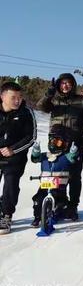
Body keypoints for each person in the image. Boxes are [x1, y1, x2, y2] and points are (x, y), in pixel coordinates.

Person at [37, 73, 83, 220]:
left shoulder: (81, 100)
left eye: (68, 83)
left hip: (75, 144)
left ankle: (72, 206)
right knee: (56, 176)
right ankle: (59, 203)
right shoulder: (54, 100)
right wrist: (48, 94)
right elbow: (41, 107)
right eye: (62, 83)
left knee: (75, 177)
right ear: (58, 85)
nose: (65, 85)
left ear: (73, 84)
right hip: (56, 144)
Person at [0, 81, 36, 235]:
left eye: (19, 97)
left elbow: (31, 137)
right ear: (2, 96)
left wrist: (13, 150)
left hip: (15, 157)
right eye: (13, 97)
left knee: (10, 184)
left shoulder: (26, 113)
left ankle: (6, 215)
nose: (17, 100)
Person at [30, 125, 79, 227]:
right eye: (52, 141)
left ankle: (68, 211)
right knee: (38, 200)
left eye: (57, 142)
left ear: (64, 144)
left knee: (62, 202)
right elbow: (35, 159)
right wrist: (35, 151)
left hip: (59, 187)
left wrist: (73, 153)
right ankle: (37, 217)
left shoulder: (64, 157)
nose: (54, 144)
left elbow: (72, 159)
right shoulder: (45, 156)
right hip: (44, 186)